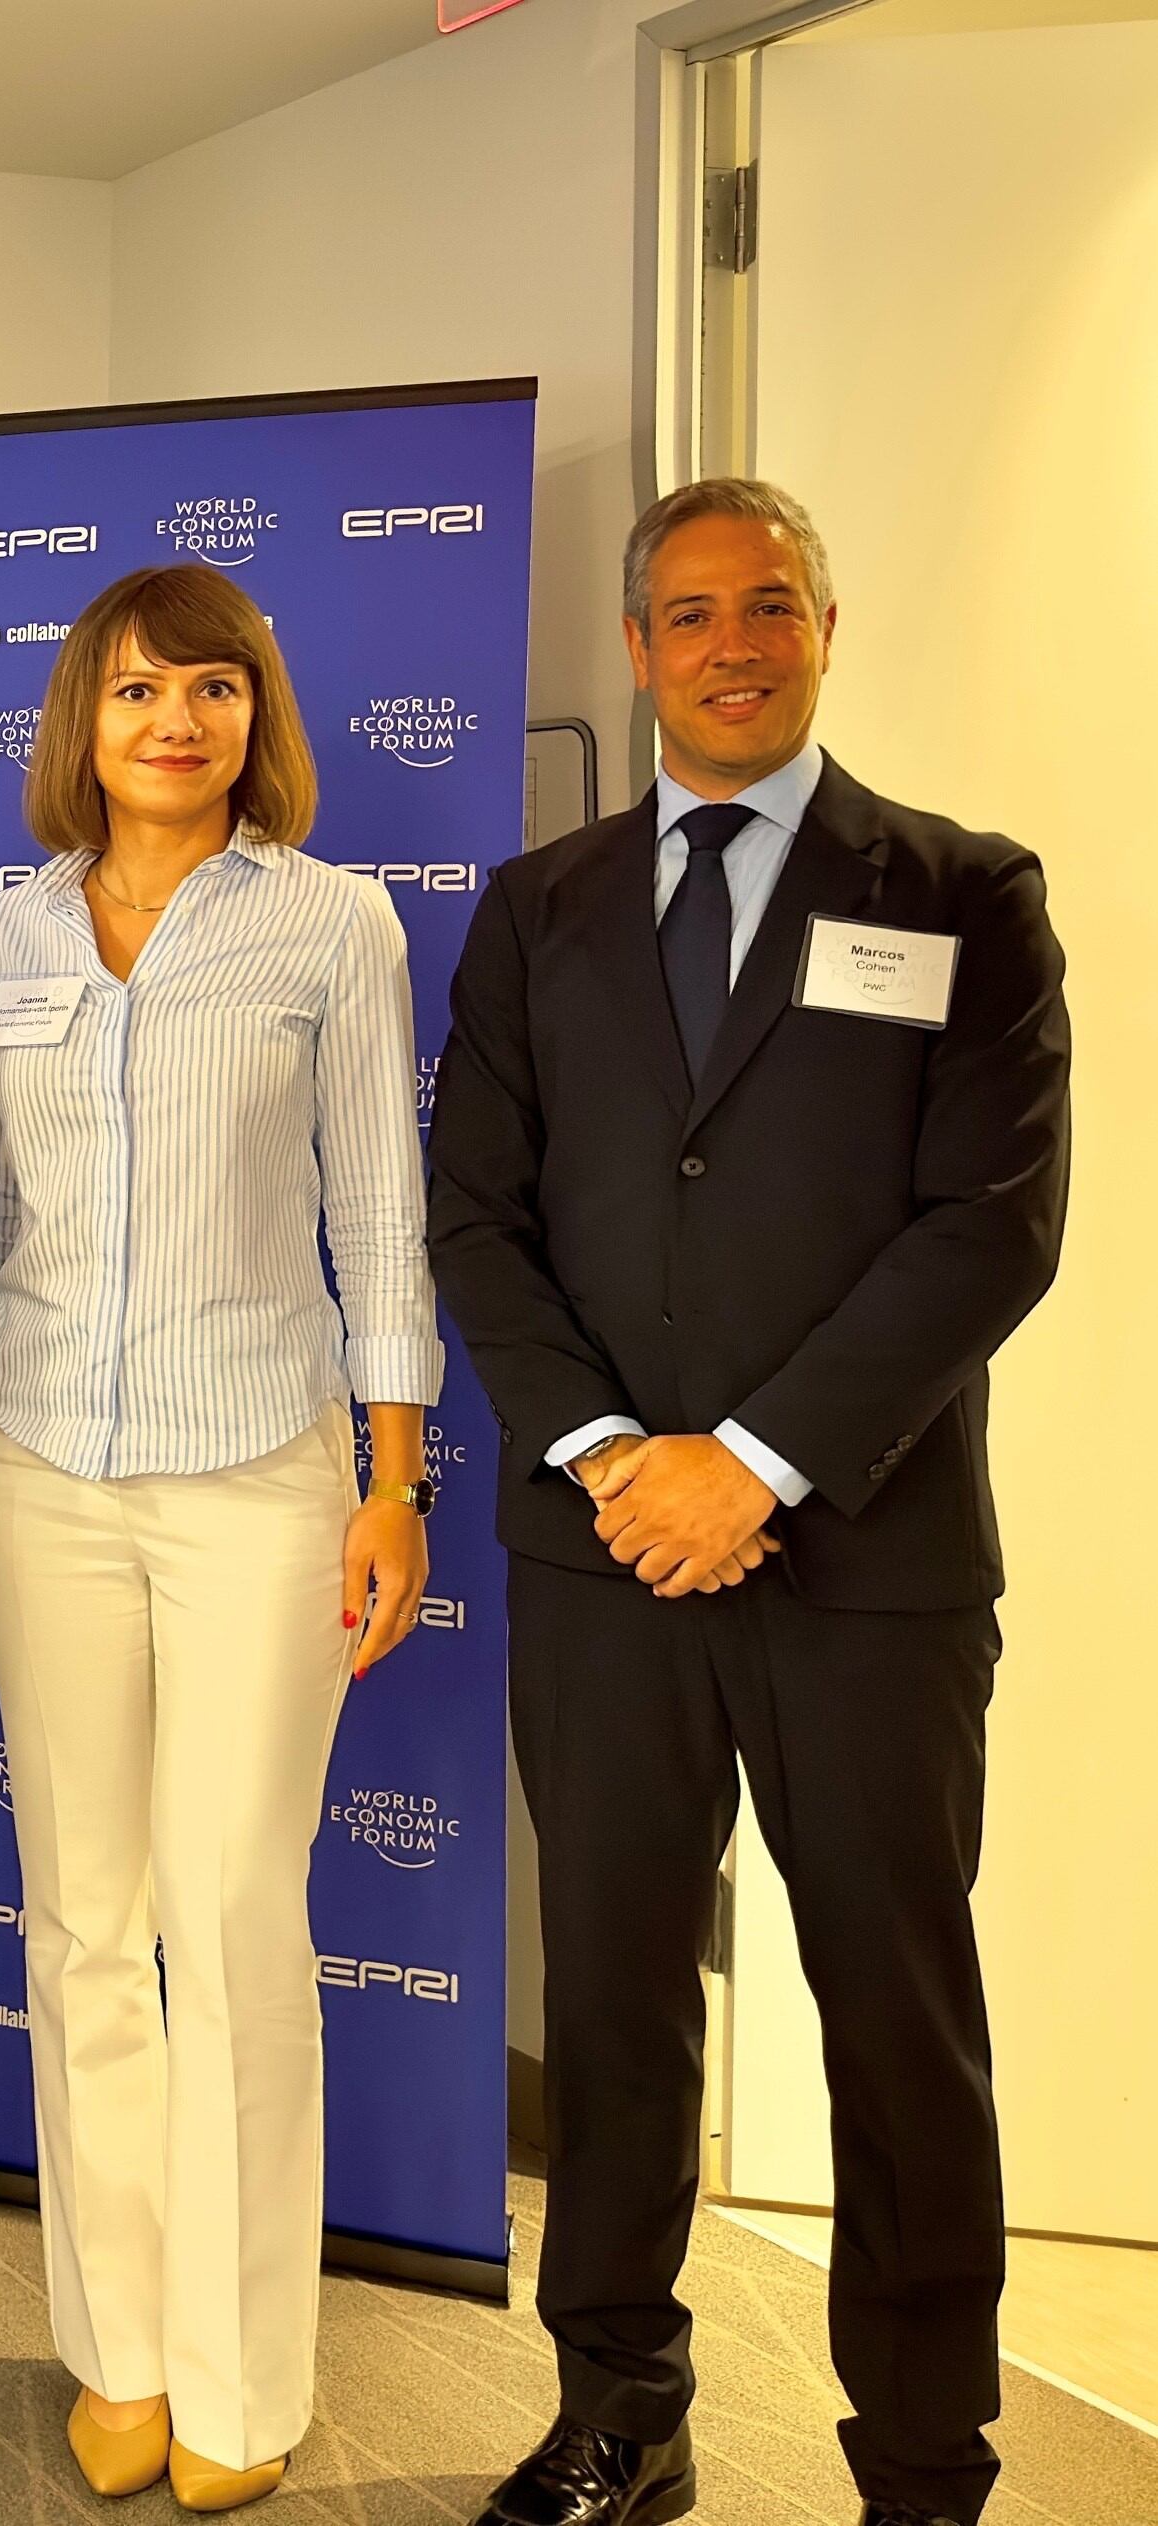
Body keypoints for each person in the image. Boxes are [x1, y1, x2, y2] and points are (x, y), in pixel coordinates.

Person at [431, 479, 1069, 2526]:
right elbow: (478, 1222)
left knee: (893, 2017)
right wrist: (622, 1463)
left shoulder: (963, 892)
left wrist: (759, 1462)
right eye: (688, 612)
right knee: (615, 2007)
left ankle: (923, 2457)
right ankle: (619, 2406)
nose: (729, 643)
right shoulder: (537, 910)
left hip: (863, 1561)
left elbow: (989, 1231)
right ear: (635, 648)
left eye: (766, 607)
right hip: (605, 1559)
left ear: (822, 628)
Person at [0, 562, 441, 2514]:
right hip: (46, 1473)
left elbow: (378, 1212)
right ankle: (120, 2352)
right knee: (78, 1925)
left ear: (256, 717)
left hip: (259, 1473)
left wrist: (393, 1478)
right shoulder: (7, 937)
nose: (175, 722)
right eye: (139, 689)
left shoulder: (331, 925)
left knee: (227, 1915)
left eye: (211, 690)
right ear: (84, 716)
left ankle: (244, 2377)